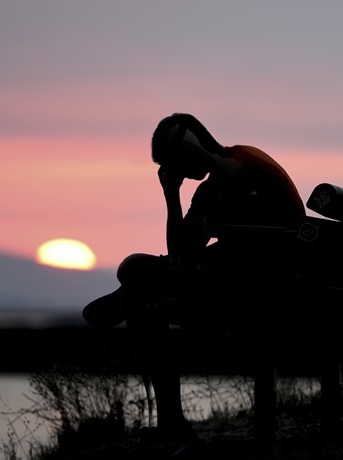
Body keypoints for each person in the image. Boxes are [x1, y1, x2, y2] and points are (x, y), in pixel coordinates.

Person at [82, 112, 305, 438]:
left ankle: (172, 424)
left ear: (191, 147)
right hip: (237, 282)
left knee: (133, 271)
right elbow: (180, 253)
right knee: (138, 291)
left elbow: (267, 241)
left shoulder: (248, 167)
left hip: (259, 289)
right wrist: (171, 195)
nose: (179, 172)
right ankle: (171, 423)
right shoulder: (212, 187)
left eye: (175, 162)